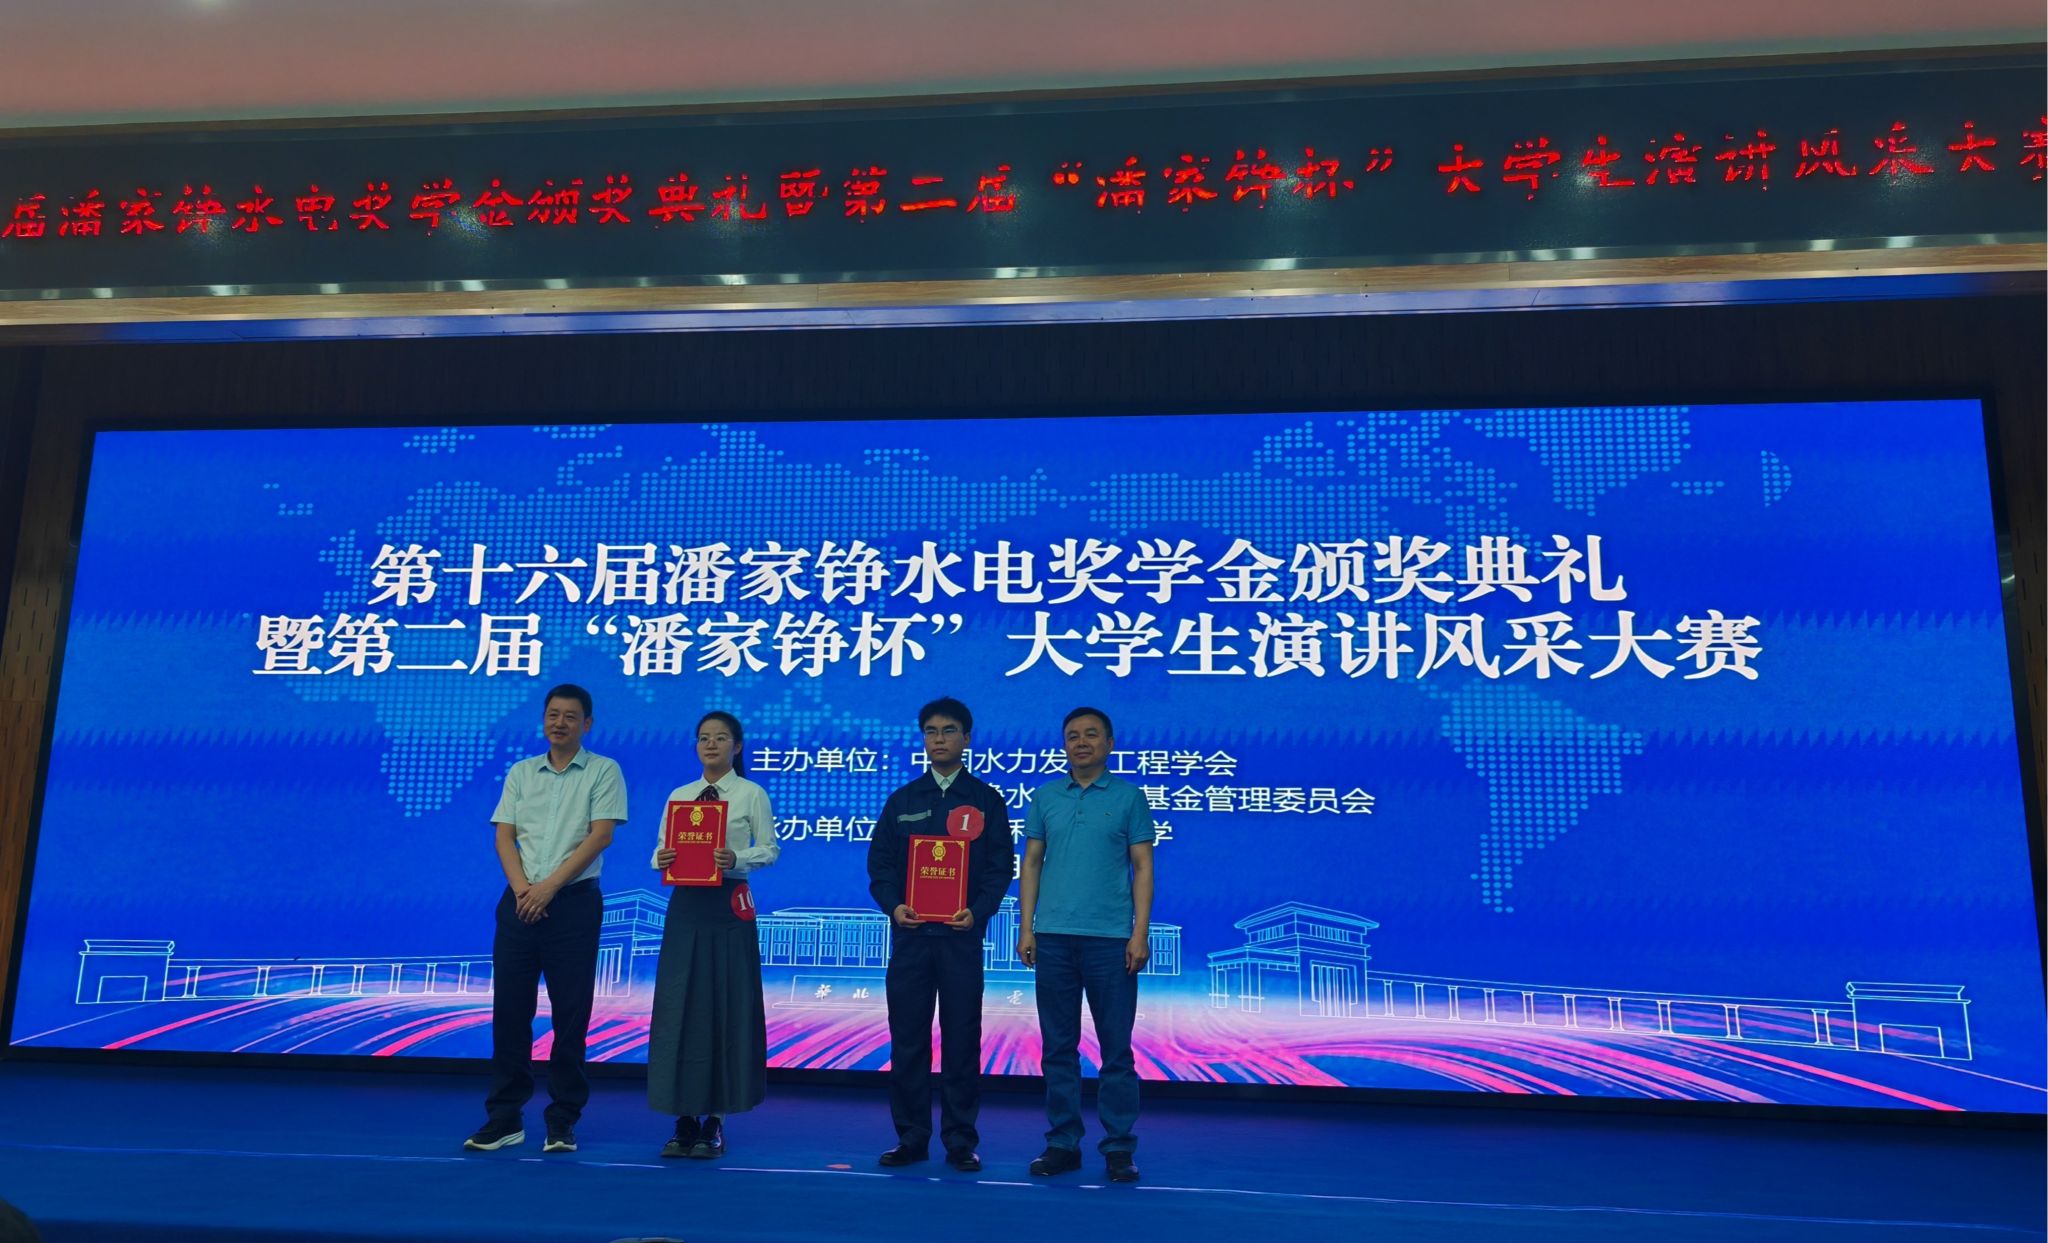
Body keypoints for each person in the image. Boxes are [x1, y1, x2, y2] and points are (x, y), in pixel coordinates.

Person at [467, 684, 627, 1155]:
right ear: (544, 719)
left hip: (572, 904)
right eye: (553, 714)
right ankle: (504, 1118)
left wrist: (548, 888)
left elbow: (599, 837)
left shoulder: (603, 770)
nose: (560, 723)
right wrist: (524, 890)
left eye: (570, 716)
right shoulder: (522, 772)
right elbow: (504, 837)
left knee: (570, 1015)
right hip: (520, 902)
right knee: (510, 1013)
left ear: (587, 724)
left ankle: (562, 1120)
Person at [866, 696, 1016, 1172]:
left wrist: (978, 911)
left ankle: (960, 1140)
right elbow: (880, 866)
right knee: (908, 1040)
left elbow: (1000, 868)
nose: (939, 739)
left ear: (966, 738)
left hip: (960, 939)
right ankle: (911, 1137)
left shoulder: (986, 800)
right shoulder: (904, 800)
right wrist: (895, 906)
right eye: (931, 731)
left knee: (962, 1040)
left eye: (949, 730)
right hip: (911, 940)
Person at [1017, 706, 1155, 1184]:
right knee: (1058, 1047)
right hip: (1053, 937)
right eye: (1073, 735)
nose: (1081, 743)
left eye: (1091, 735)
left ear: (1109, 744)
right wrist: (1027, 927)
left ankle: (1119, 1147)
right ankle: (1062, 1143)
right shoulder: (1046, 796)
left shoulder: (1129, 797)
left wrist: (1139, 933)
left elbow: (1142, 867)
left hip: (1110, 941)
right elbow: (1031, 863)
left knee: (1116, 1050)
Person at [647, 709, 778, 1159]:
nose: (711, 745)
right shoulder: (680, 795)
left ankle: (715, 1121)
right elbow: (659, 850)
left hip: (728, 906)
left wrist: (736, 859)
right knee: (680, 1006)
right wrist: (662, 859)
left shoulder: (750, 793)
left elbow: (770, 849)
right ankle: (683, 1118)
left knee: (725, 1006)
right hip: (686, 906)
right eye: (704, 737)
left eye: (721, 738)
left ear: (737, 747)